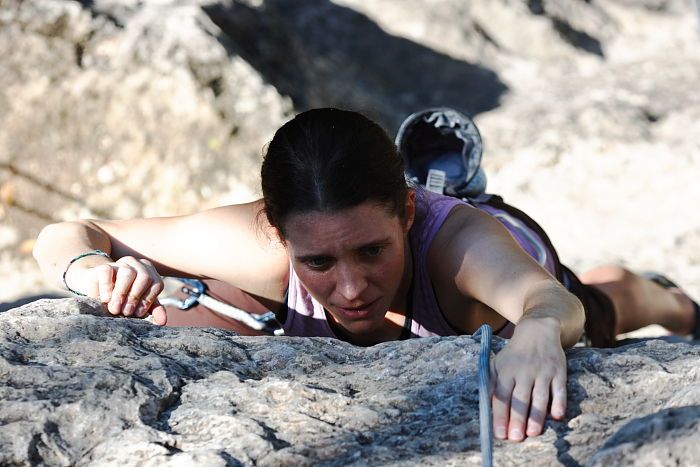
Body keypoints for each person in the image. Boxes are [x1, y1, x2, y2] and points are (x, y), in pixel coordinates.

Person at [33, 107, 699, 443]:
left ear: (407, 211)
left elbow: (545, 299)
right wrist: (93, 272)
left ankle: (663, 296)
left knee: (604, 308)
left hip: (515, 253)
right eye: (318, 261)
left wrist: (541, 328)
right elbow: (65, 234)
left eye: (372, 251)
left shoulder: (455, 246)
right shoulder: (258, 243)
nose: (350, 287)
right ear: (276, 230)